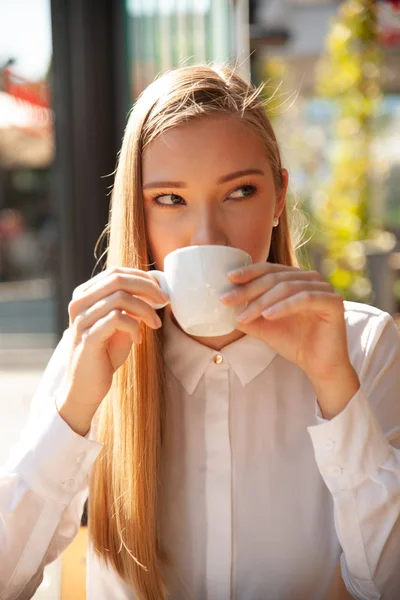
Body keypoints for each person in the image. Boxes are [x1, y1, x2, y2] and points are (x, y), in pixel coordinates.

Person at [1, 64, 399, 600]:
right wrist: (73, 411)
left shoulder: (363, 346)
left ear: (279, 198)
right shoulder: (92, 350)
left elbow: (387, 581)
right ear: (137, 215)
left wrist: (334, 386)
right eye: (170, 200)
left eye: (239, 192)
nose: (207, 235)